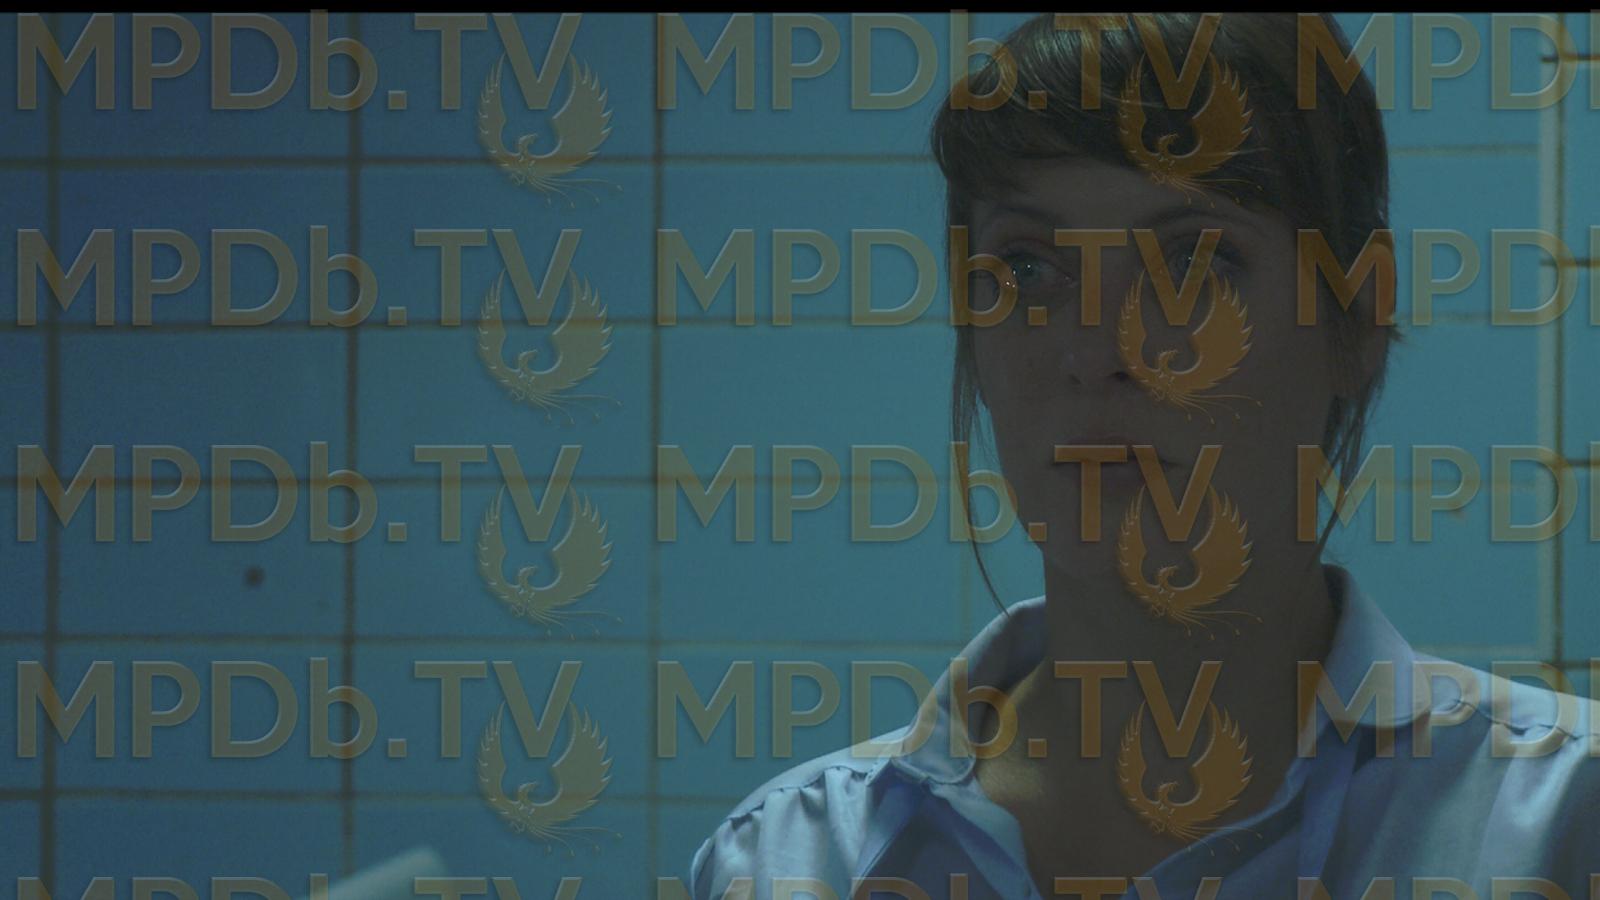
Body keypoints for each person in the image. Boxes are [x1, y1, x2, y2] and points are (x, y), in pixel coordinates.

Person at [688, 13, 1600, 899]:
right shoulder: (790, 864)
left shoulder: (1561, 824)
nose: (1096, 350)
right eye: (1027, 268)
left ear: (1358, 319)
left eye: (1191, 264)